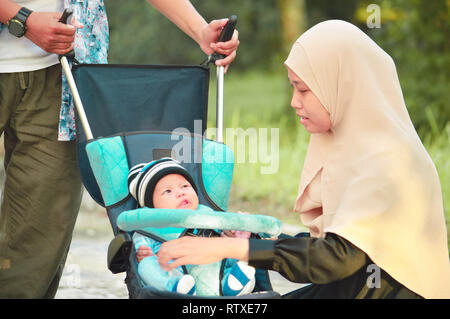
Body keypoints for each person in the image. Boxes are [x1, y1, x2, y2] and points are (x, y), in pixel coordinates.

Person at [155, 20, 450, 299]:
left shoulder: (387, 159)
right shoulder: (360, 146)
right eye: (294, 87)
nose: (295, 102)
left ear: (341, 86)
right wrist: (258, 240)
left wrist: (230, 248)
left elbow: (335, 259)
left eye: (304, 89)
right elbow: (336, 248)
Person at [0, 0, 239, 298]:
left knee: (34, 248)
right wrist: (20, 17)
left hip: (64, 72)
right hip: (38, 44)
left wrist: (200, 28)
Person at [127, 157, 256, 296]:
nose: (181, 192)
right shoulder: (148, 227)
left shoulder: (207, 214)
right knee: (146, 266)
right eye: (168, 191)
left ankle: (235, 282)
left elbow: (224, 236)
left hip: (216, 269)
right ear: (151, 206)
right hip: (175, 273)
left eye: (185, 186)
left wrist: (232, 233)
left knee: (236, 251)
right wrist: (145, 255)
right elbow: (141, 249)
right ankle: (176, 287)